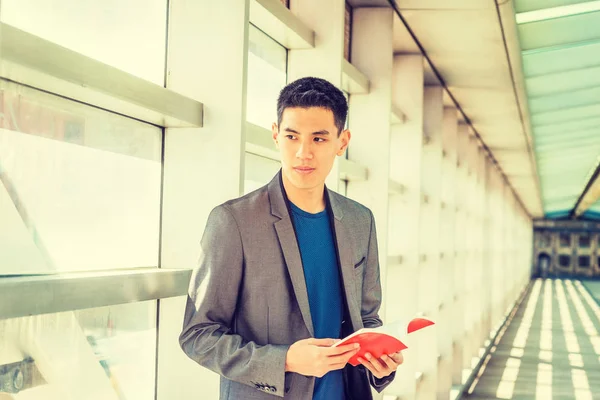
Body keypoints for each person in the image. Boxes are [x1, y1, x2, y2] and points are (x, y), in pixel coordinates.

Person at [179, 77, 403, 400]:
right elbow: (197, 335)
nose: (303, 152)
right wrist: (284, 360)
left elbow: (366, 319)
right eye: (292, 136)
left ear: (343, 142)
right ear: (275, 135)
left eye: (319, 139)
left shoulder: (359, 221)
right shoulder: (233, 222)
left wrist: (379, 363)